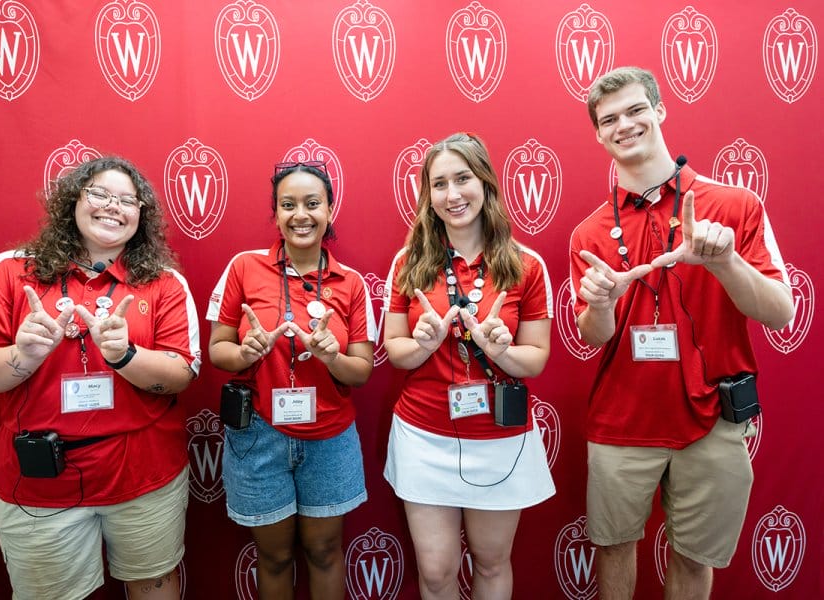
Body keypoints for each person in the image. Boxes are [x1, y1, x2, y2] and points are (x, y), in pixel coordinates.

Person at [569, 66, 794, 599]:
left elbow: (780, 313)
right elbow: (594, 335)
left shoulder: (734, 205)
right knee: (614, 551)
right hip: (621, 421)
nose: (624, 125)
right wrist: (599, 302)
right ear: (598, 135)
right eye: (609, 120)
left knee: (694, 560)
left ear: (660, 110)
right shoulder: (590, 232)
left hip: (713, 420)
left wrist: (725, 263)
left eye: (634, 110)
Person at [0, 156, 201, 600]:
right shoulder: (10, 271)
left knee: (154, 586)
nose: (112, 207)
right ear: (72, 202)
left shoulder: (164, 283)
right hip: (41, 485)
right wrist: (21, 356)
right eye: (99, 194)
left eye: (126, 200)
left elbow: (179, 375)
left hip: (144, 478)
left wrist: (124, 356)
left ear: (142, 215)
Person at [383, 132, 556, 599]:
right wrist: (423, 344)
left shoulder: (527, 264)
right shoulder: (408, 262)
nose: (452, 194)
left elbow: (535, 358)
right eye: (439, 184)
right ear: (428, 195)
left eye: (462, 179)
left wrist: (500, 351)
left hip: (499, 435)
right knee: (436, 572)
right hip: (424, 433)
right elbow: (394, 350)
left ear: (485, 183)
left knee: (491, 561)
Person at [206, 160, 376, 599]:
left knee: (324, 550)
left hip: (331, 439)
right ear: (276, 215)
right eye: (288, 205)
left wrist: (332, 357)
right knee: (275, 556)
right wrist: (243, 353)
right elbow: (216, 349)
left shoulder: (352, 284)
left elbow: (362, 370)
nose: (301, 214)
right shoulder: (243, 268)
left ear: (330, 211)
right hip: (260, 436)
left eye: (312, 203)